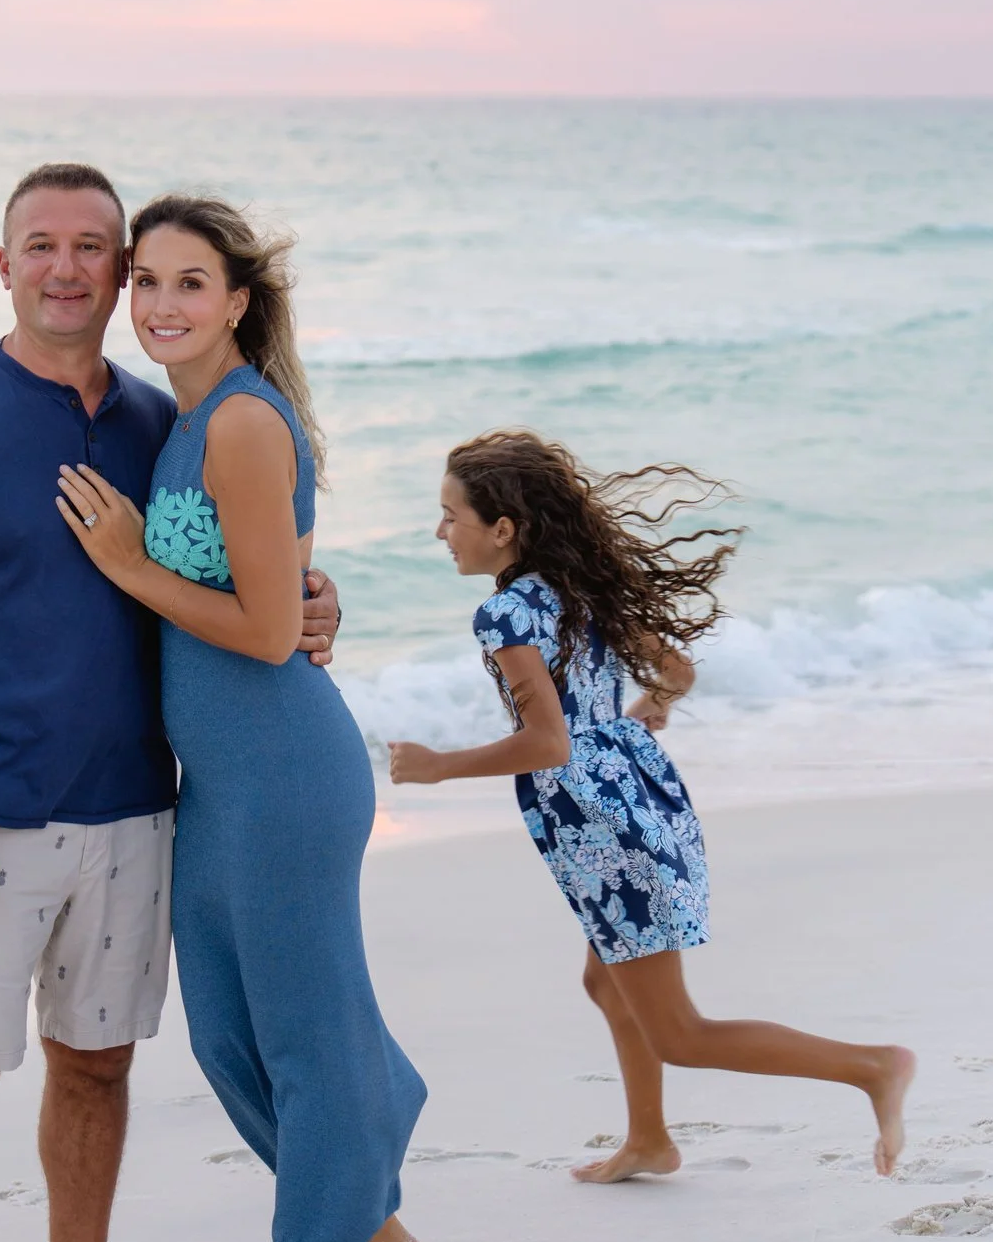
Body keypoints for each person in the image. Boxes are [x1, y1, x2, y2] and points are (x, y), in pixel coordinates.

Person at [0, 166, 343, 1242]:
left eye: (92, 248)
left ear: (119, 271)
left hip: (139, 798)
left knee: (98, 1060)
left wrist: (320, 602)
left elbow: (243, 574)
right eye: (42, 245)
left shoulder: (157, 418)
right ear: (3, 262)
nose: (66, 268)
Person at [55, 195, 426, 1242]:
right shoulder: (185, 418)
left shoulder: (243, 425)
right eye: (146, 282)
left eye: (188, 282)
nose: (160, 304)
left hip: (284, 772)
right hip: (221, 780)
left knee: (305, 1035)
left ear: (238, 300)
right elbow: (290, 585)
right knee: (227, 1032)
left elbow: (269, 632)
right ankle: (377, 1237)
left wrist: (122, 564)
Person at [385, 431, 915, 1183]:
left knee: (679, 1032)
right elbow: (675, 670)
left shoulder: (504, 615)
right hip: (635, 798)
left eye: (449, 515)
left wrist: (440, 768)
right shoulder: (583, 586)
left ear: (503, 529)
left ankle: (873, 1067)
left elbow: (546, 745)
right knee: (606, 981)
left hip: (603, 829)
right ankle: (649, 1142)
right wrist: (639, 716)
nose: (441, 532)